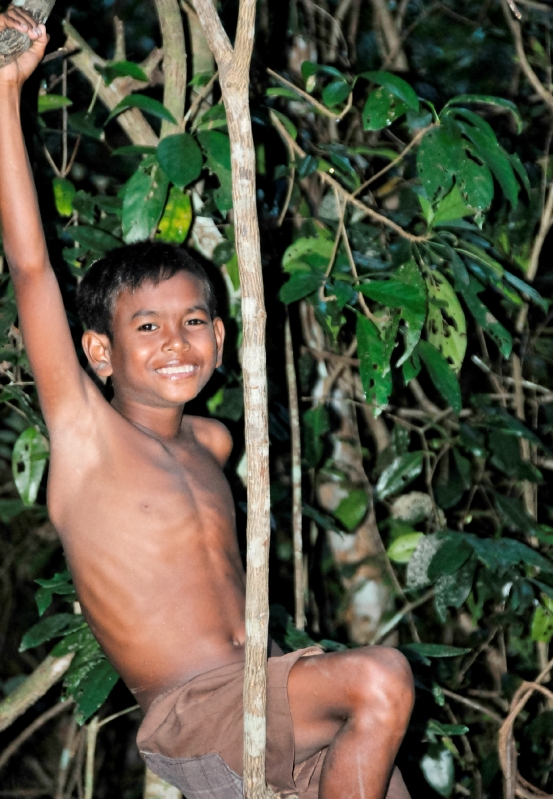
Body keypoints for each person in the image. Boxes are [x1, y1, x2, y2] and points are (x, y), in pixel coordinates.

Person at [0, 7, 415, 798]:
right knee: (381, 677)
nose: (176, 342)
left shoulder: (216, 441)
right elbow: (30, 268)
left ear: (223, 342)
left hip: (274, 698)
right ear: (99, 352)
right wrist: (4, 93)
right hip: (196, 713)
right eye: (147, 326)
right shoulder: (88, 438)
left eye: (195, 322)